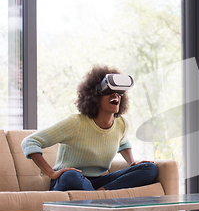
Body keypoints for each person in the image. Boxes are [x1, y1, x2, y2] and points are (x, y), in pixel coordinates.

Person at [21, 65, 158, 191]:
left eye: (118, 92)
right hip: (70, 180)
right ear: (94, 96)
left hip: (99, 181)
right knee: (71, 176)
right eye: (109, 90)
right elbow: (30, 142)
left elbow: (123, 142)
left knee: (150, 169)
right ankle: (98, 198)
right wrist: (51, 173)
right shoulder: (75, 123)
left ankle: (100, 194)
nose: (115, 95)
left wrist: (131, 162)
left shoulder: (121, 124)